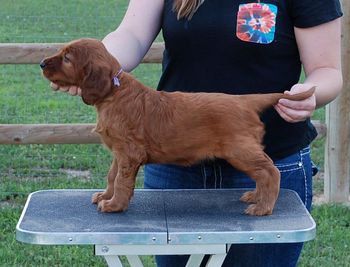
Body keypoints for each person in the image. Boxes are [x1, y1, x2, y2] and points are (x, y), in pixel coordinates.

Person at [52, 0, 343, 266]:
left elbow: (327, 69)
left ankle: (267, 184)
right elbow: (132, 34)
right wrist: (96, 68)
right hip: (174, 166)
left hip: (273, 153)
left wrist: (310, 94)